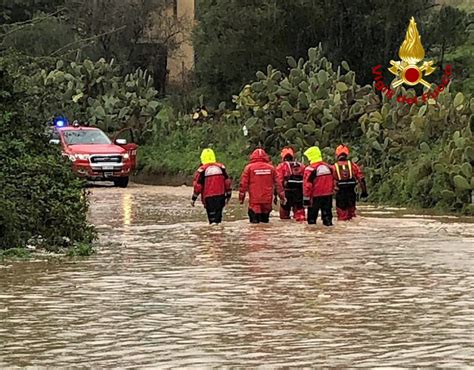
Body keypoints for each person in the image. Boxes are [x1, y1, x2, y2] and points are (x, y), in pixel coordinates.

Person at [239, 148, 286, 223]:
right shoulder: (271, 168)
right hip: (267, 201)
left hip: (254, 202)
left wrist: (241, 198)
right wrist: (282, 197)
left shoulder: (249, 168)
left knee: (255, 227)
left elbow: (243, 184)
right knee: (265, 224)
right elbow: (278, 184)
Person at [191, 148, 232, 224]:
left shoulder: (202, 170)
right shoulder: (221, 167)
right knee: (218, 220)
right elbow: (227, 182)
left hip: (209, 198)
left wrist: (193, 198)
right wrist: (229, 195)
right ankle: (219, 234)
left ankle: (212, 234)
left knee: (212, 221)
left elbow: (198, 187)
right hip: (220, 197)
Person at [333, 144, 368, 221]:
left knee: (342, 217)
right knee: (352, 216)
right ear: (347, 154)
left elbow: (330, 181)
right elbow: (361, 179)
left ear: (337, 154)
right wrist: (364, 192)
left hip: (340, 194)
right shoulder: (353, 166)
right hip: (351, 194)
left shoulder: (334, 167)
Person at [303, 146, 334, 226]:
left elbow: (307, 185)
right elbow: (334, 180)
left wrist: (306, 198)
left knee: (311, 220)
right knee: (327, 218)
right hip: (328, 196)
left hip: (315, 196)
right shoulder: (329, 167)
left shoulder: (309, 169)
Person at [275, 147, 305, 221]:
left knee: (284, 218)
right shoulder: (301, 166)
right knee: (300, 216)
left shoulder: (281, 166)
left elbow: (278, 182)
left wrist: (276, 194)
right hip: (299, 194)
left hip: (287, 194)